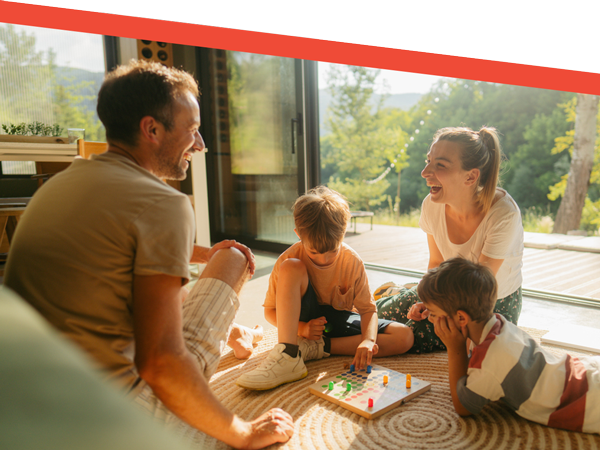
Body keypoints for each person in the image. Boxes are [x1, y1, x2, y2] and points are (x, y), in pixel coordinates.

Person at [4, 60, 293, 449]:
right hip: (107, 415)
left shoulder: (62, 183)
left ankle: (230, 332)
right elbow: (161, 363)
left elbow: (118, 242)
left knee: (205, 269)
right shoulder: (164, 204)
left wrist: (203, 253)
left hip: (26, 396)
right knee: (235, 259)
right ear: (151, 129)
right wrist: (242, 432)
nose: (200, 144)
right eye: (192, 130)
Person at [236, 186, 414, 390]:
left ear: (344, 232)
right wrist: (302, 328)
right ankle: (289, 354)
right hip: (302, 323)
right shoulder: (288, 259)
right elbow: (269, 311)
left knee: (404, 336)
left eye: (332, 250)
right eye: (314, 252)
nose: (325, 259)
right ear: (298, 235)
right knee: (291, 267)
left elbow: (367, 310)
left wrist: (367, 340)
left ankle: (318, 349)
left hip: (338, 321)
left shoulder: (352, 261)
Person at [376, 126, 524, 354]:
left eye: (440, 165)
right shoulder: (431, 204)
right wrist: (425, 299)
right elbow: (435, 263)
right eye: (428, 161)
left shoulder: (503, 214)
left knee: (410, 334)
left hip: (487, 303)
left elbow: (479, 289)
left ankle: (330, 343)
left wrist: (435, 309)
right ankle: (395, 295)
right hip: (446, 291)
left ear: (471, 176)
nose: (425, 172)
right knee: (377, 313)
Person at [418, 257, 600, 434]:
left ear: (461, 318)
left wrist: (454, 348)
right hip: (582, 374)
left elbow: (463, 407)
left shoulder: (490, 361)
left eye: (433, 313)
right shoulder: (498, 323)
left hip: (589, 402)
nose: (430, 318)